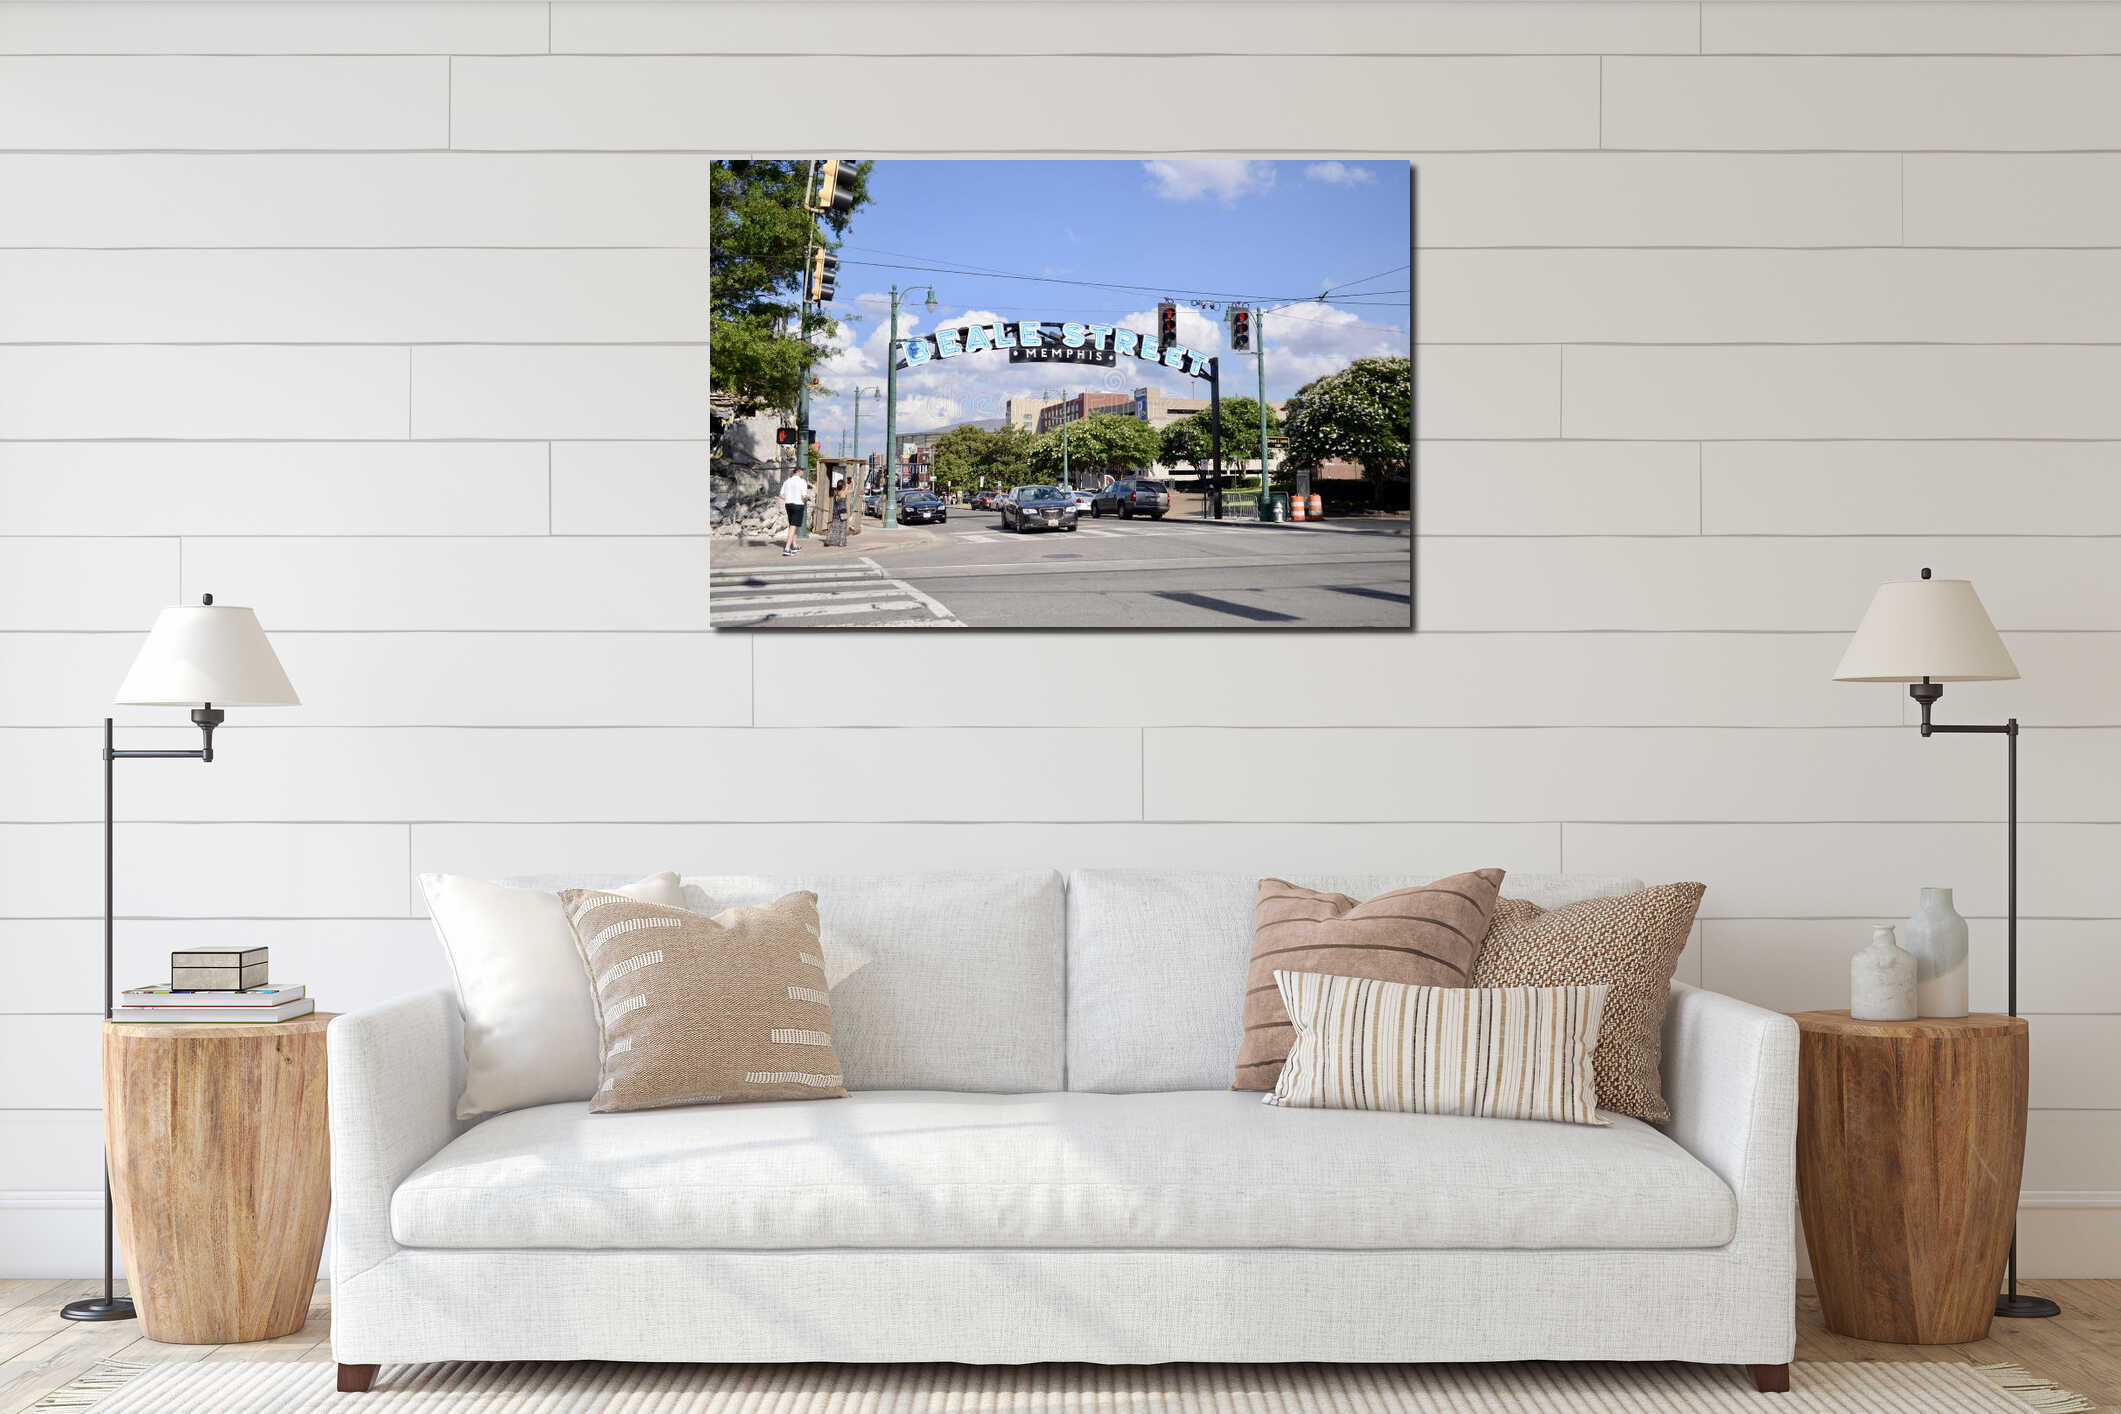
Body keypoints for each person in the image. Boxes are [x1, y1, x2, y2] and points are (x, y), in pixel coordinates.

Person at [778, 464, 812, 556]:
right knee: (793, 526)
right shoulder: (802, 482)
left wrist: (789, 498)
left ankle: (795, 545)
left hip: (788, 504)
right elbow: (804, 496)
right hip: (798, 505)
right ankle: (787, 548)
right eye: (802, 471)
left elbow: (781, 495)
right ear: (799, 471)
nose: (803, 472)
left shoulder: (787, 481)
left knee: (793, 525)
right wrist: (806, 500)